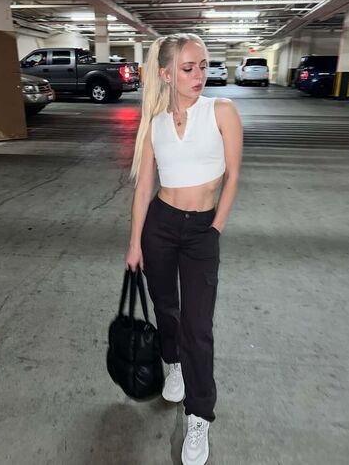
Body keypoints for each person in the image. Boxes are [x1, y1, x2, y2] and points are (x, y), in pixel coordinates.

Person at [125, 33, 243, 465]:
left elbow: (233, 176)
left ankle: (199, 415)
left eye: (203, 66)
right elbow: (144, 189)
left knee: (198, 325)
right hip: (160, 225)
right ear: (166, 74)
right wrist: (134, 242)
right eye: (189, 68)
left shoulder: (221, 111)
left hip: (201, 232)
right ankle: (171, 362)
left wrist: (215, 229)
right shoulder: (154, 124)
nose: (199, 75)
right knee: (166, 308)